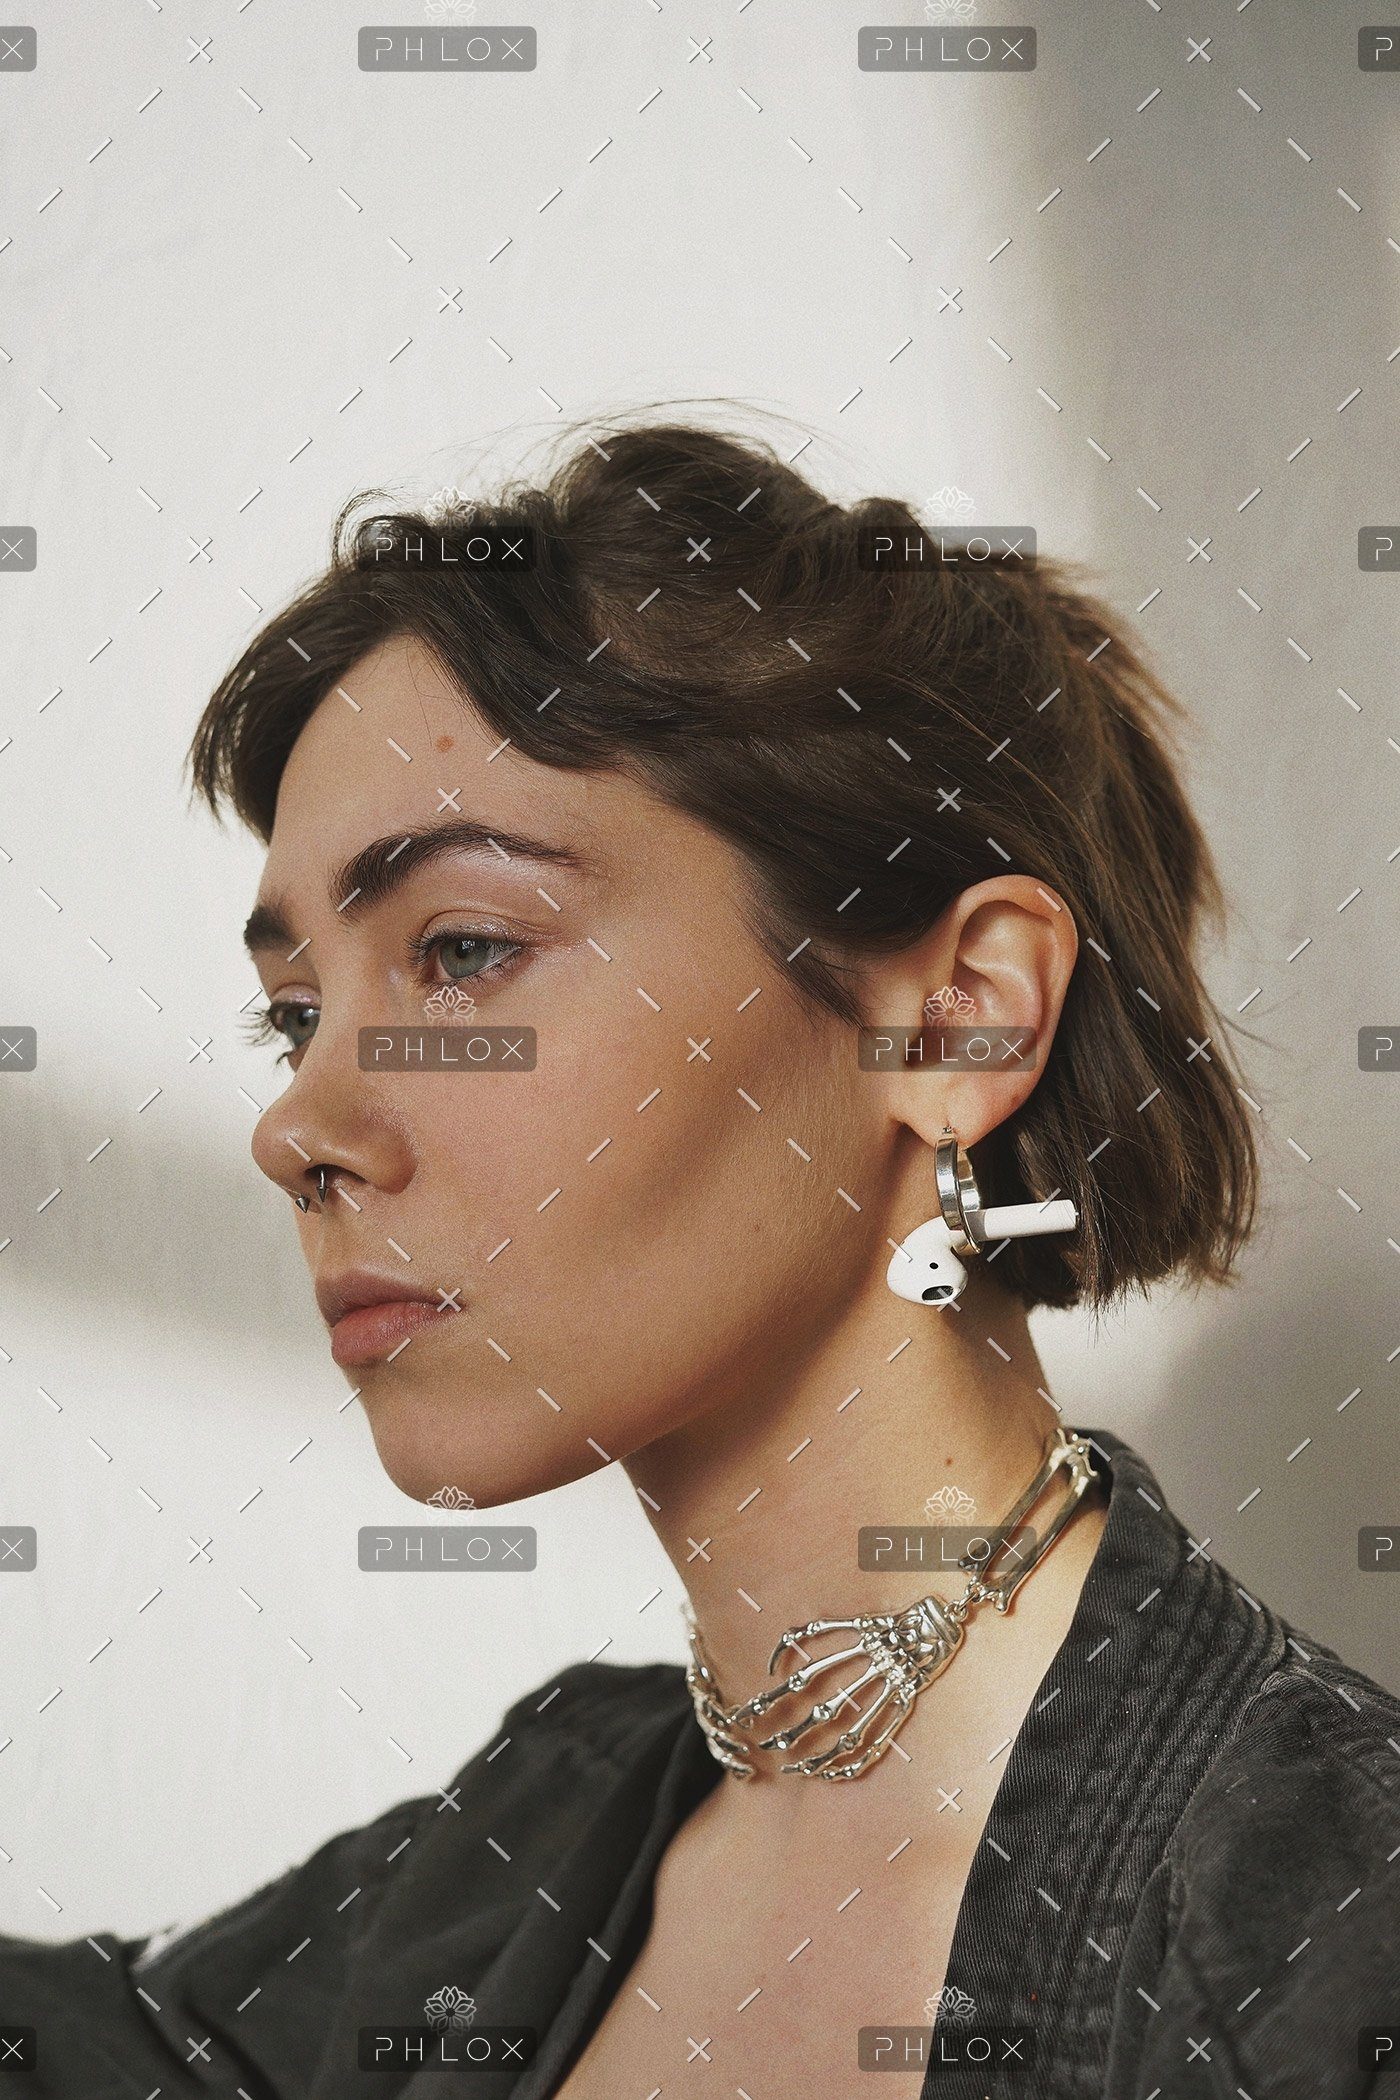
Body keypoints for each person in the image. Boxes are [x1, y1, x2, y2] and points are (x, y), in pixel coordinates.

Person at [3, 417, 1397, 2098]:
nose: (297, 1125)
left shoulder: (1325, 1943)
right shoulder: (524, 1844)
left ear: (958, 1018)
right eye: (295, 1015)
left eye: (464, 951)